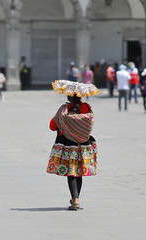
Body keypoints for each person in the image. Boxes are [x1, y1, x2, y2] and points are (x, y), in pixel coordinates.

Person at [48, 80, 98, 211]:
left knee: (72, 171)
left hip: (68, 145)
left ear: (69, 96)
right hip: (84, 145)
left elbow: (52, 126)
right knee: (79, 171)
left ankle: (75, 200)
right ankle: (76, 199)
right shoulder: (87, 108)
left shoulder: (64, 110)